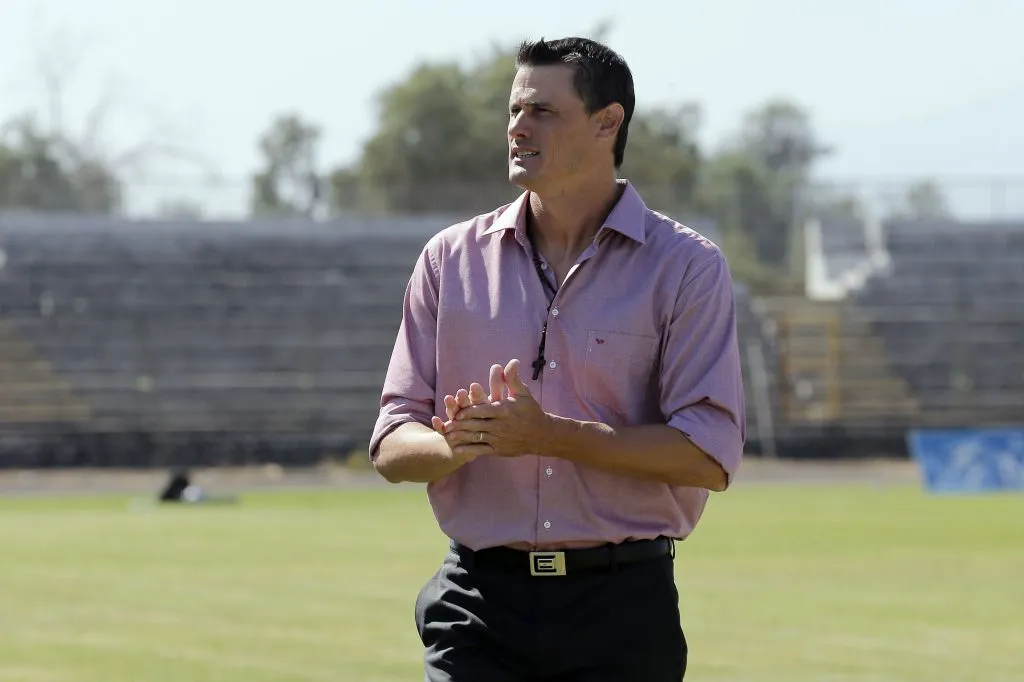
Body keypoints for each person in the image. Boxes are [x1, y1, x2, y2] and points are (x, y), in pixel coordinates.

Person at [369, 36, 745, 682]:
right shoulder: (448, 261)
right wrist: (463, 444)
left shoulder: (686, 268)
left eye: (542, 111)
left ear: (608, 123)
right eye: (514, 111)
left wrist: (549, 437)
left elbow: (707, 457)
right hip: (477, 606)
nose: (518, 127)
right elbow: (391, 442)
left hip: (622, 611)